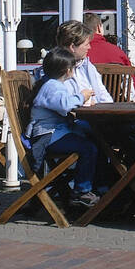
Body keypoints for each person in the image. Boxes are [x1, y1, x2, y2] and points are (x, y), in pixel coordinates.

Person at [26, 47, 100, 210]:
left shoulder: (52, 84)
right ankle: (82, 191)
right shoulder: (53, 86)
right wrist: (82, 96)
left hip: (54, 132)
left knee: (93, 136)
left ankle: (94, 186)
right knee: (89, 148)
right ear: (68, 70)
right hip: (48, 136)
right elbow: (64, 105)